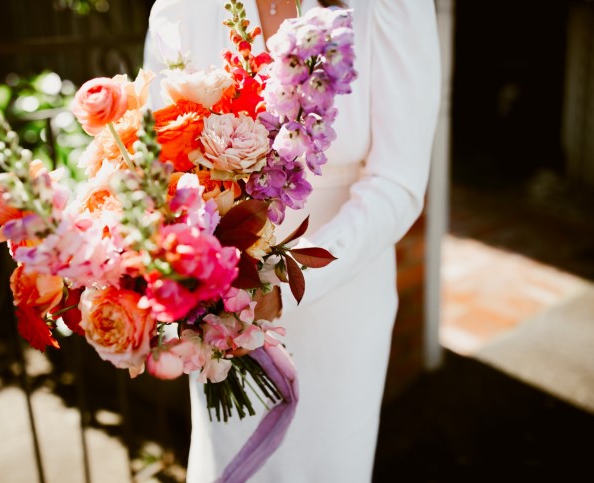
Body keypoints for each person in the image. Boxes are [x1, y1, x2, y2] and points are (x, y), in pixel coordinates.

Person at [143, 0, 441, 481]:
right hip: (219, 310)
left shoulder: (390, 7)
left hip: (340, 299)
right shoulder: (181, 8)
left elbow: (398, 183)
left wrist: (278, 287)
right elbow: (156, 163)